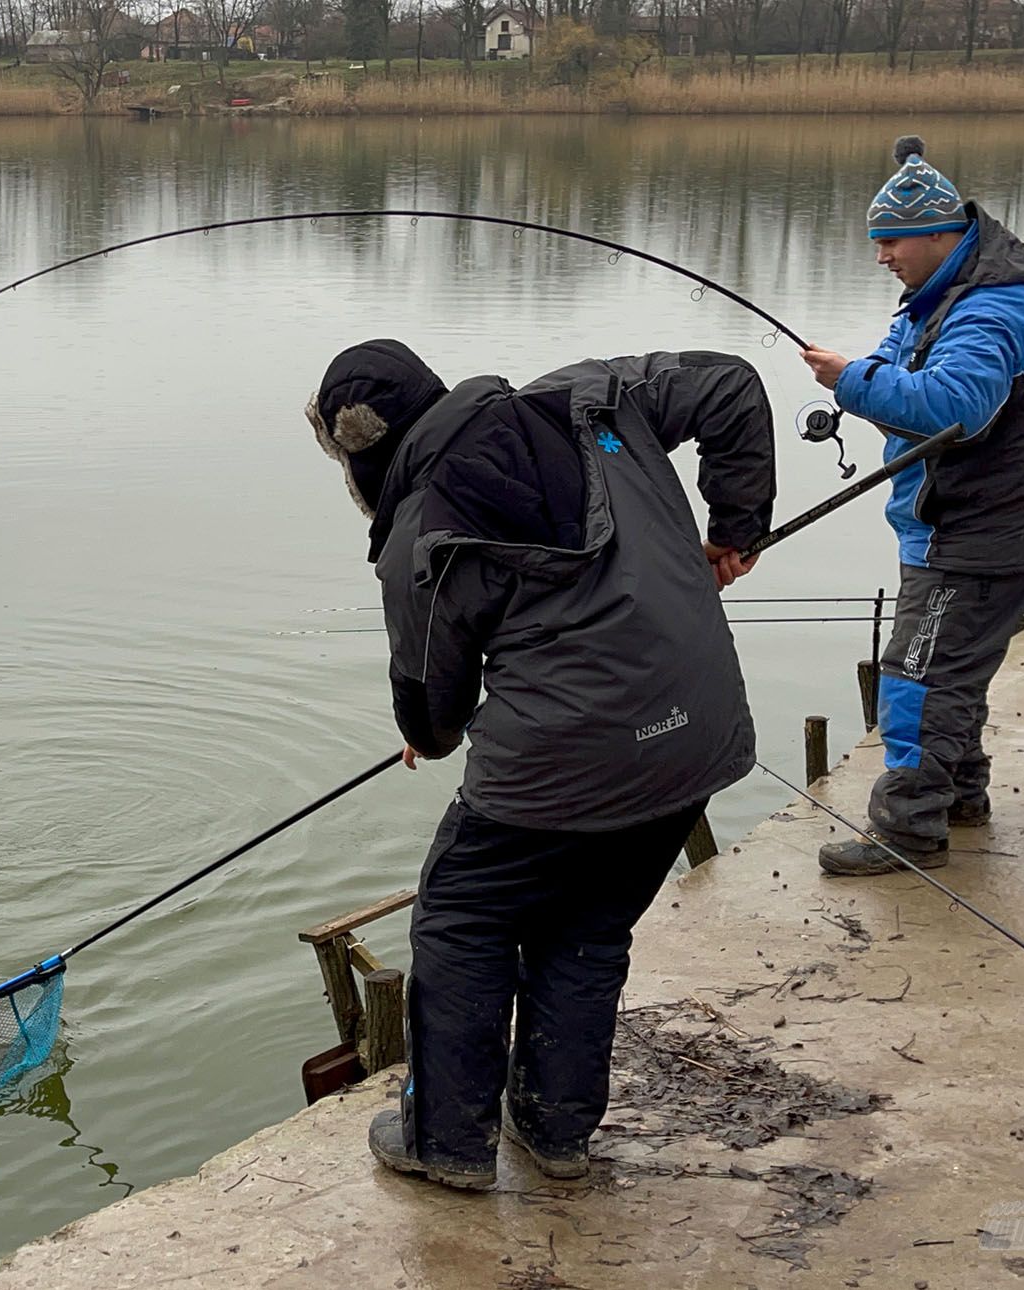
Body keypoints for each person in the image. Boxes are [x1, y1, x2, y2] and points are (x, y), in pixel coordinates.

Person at [305, 340, 776, 1189]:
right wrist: (737, 530)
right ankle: (555, 1134)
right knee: (587, 927)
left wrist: (429, 729)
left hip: (560, 766)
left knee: (459, 919)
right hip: (694, 739)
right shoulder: (591, 397)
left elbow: (430, 709)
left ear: (361, 452)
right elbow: (731, 385)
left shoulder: (419, 526)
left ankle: (446, 1142)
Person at [800, 136, 1024, 877]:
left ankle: (909, 830)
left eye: (891, 242)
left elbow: (958, 410)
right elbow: (896, 364)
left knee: (916, 677)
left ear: (941, 236)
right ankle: (960, 798)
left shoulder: (991, 313)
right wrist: (861, 377)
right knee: (956, 669)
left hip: (981, 532)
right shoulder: (937, 302)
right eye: (877, 242)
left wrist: (850, 382)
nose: (882, 256)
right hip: (965, 524)